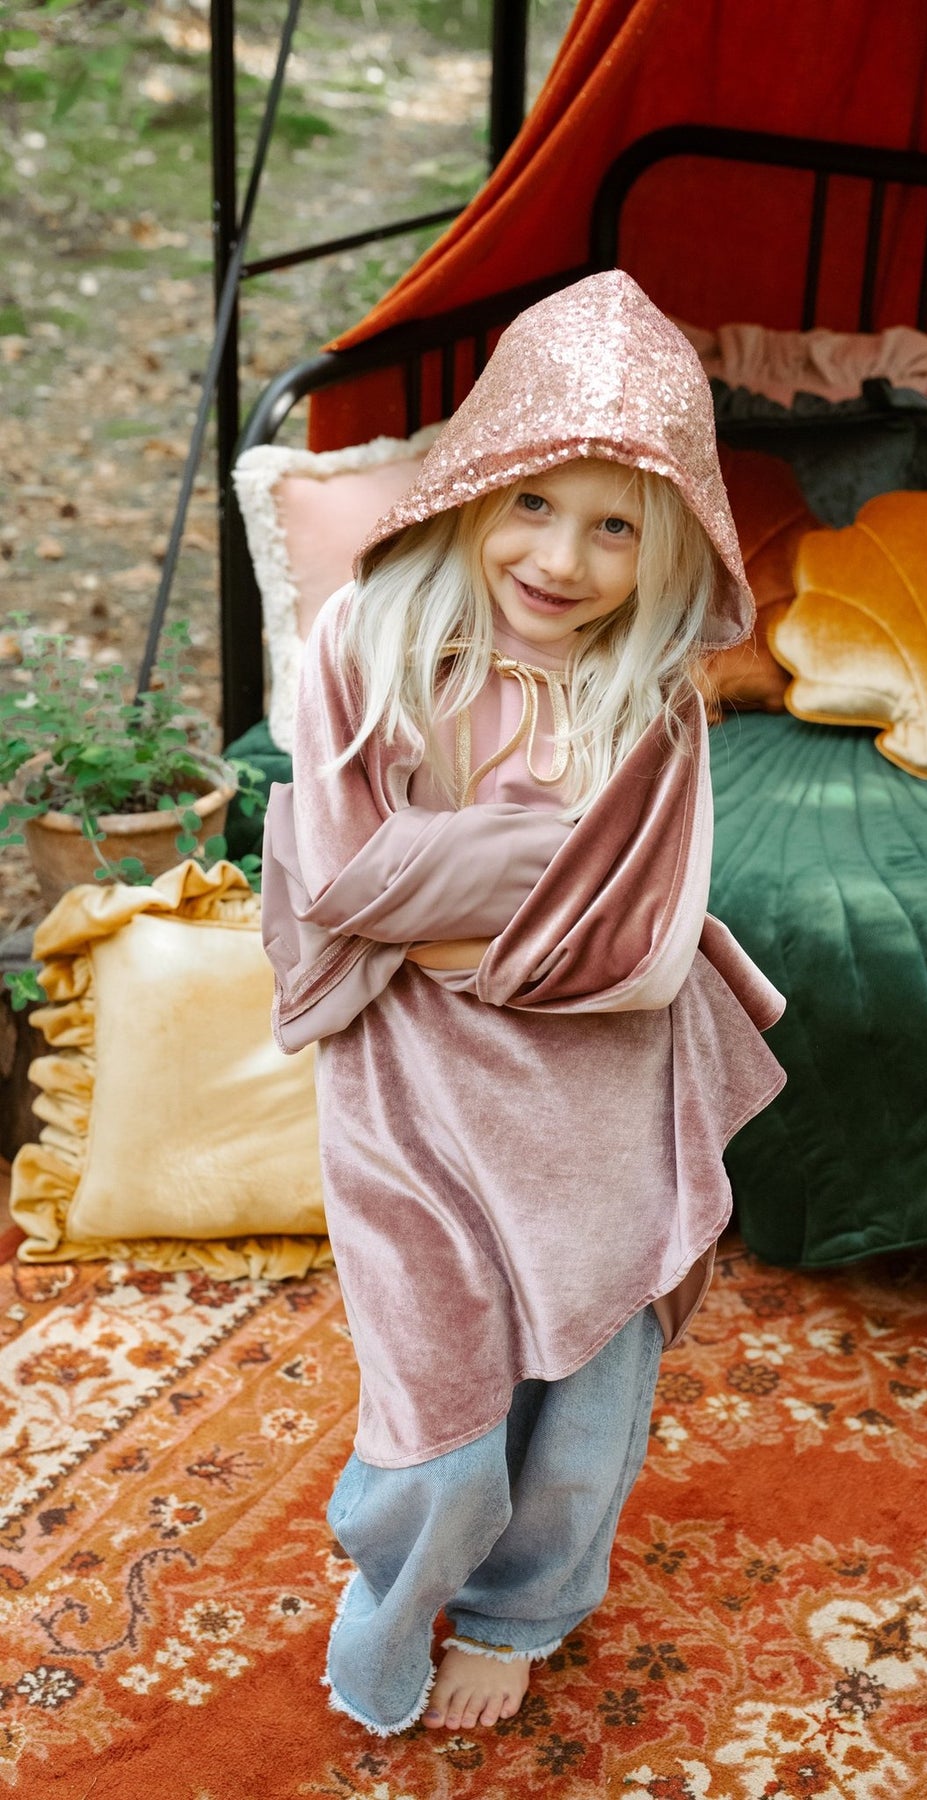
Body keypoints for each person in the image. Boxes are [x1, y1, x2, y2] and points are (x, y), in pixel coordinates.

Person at [260, 270, 786, 1738]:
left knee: (589, 1378)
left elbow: (636, 926)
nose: (565, 557)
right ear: (478, 481)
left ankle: (521, 1606)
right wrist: (502, 882)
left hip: (599, 1091)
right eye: (534, 505)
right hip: (415, 1089)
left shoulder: (654, 705)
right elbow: (334, 875)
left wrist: (462, 896)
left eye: (618, 524)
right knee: (440, 1398)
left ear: (669, 540)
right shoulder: (365, 649)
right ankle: (406, 1574)